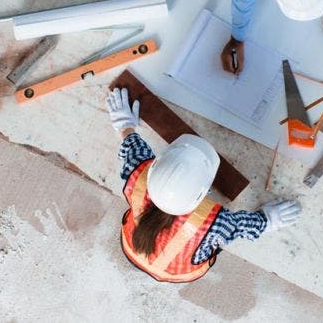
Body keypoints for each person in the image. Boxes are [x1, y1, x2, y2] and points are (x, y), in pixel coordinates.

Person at [105, 87, 301, 282]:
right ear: (203, 194)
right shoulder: (211, 224)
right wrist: (267, 220)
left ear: (155, 166)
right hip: (176, 272)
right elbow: (239, 227)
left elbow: (133, 149)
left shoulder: (137, 176)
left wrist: (125, 126)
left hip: (132, 249)